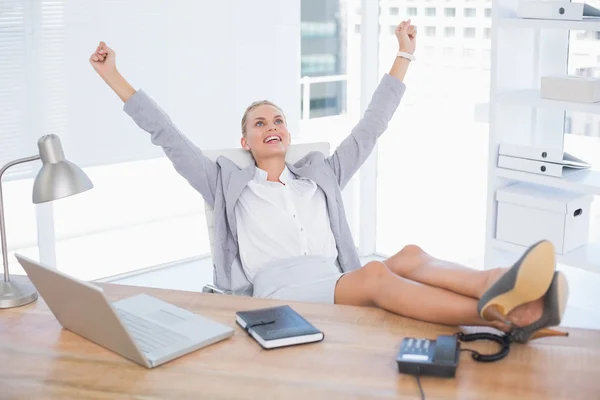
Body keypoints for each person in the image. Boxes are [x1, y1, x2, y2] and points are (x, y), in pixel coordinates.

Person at [89, 20, 569, 343]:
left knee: (409, 255)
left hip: (333, 278)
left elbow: (371, 125)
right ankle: (501, 316)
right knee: (379, 274)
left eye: (277, 118)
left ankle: (500, 284)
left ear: (288, 132)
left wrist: (405, 54)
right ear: (246, 140)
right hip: (279, 291)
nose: (270, 124)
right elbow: (165, 134)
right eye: (258, 123)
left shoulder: (320, 177)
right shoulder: (224, 183)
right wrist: (114, 76)